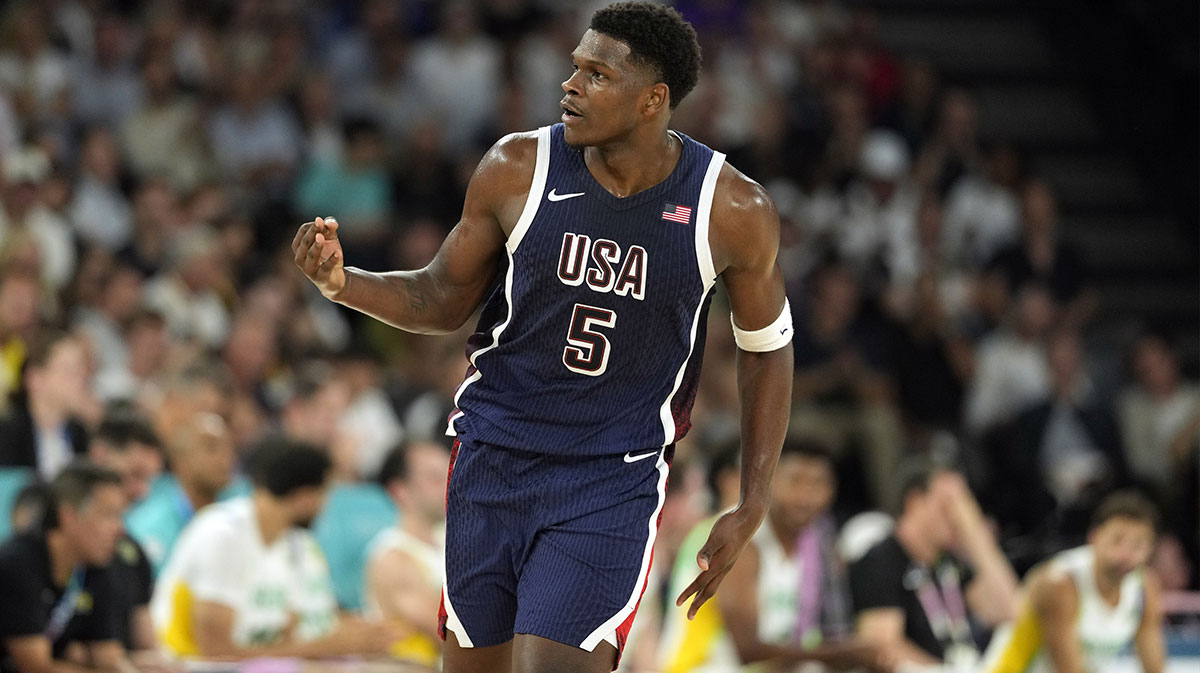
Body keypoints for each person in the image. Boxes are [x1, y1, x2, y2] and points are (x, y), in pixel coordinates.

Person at [293, 3, 793, 672]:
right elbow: (443, 298)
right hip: (493, 454)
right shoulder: (517, 166)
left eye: (596, 74)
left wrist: (753, 494)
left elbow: (767, 346)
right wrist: (341, 281)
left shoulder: (731, 208)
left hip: (611, 475)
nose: (570, 85)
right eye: (573, 67)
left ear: (653, 100)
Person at [149, 437, 391, 660]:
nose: (326, 505)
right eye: (325, 493)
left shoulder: (299, 545)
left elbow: (306, 628)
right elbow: (216, 654)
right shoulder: (222, 536)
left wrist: (360, 634)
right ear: (304, 496)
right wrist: (326, 647)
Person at [660, 440, 880, 672]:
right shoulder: (736, 537)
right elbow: (746, 649)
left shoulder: (815, 545)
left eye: (817, 484)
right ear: (769, 481)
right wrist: (842, 653)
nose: (805, 497)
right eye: (795, 481)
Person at [850, 462, 1018, 671]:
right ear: (915, 502)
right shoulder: (882, 559)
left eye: (965, 504)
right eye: (948, 504)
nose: (957, 515)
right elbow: (881, 646)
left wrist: (974, 530)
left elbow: (1008, 612)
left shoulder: (948, 562)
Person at [983, 490, 1165, 673]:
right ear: (1094, 537)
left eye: (1138, 544)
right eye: (1117, 541)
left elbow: (1154, 666)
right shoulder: (1059, 584)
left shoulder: (1145, 588)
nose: (1126, 555)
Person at [0, 462, 137, 673]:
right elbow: (36, 668)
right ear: (68, 516)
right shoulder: (17, 564)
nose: (120, 529)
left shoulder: (96, 564)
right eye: (109, 515)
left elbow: (109, 655)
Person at [363, 440, 452, 669]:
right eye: (435, 478)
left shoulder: (451, 543)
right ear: (399, 490)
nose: (450, 484)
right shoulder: (393, 558)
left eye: (450, 472)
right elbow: (448, 634)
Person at [87, 410, 163, 652]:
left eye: (148, 479)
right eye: (134, 474)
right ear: (99, 456)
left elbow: (147, 647)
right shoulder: (43, 539)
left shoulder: (134, 555)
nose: (141, 491)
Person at [125, 410, 235, 575]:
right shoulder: (147, 528)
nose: (225, 458)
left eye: (229, 448)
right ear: (180, 459)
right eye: (211, 448)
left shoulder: (238, 515)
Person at [0, 330, 93, 479]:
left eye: (83, 372)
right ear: (35, 378)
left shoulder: (81, 435)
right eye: (70, 371)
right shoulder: (7, 436)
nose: (81, 380)